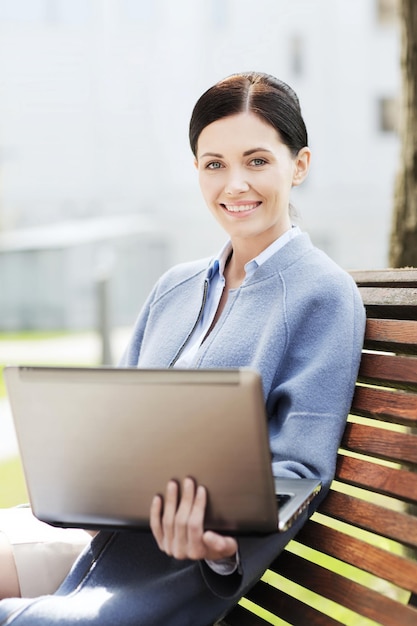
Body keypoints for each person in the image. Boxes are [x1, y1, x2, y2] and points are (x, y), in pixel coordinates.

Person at [0, 71, 365, 625]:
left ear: (300, 165)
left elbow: (301, 466)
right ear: (197, 170)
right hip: (103, 539)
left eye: (257, 160)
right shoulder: (174, 285)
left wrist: (222, 549)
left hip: (175, 569)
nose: (234, 184)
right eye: (214, 164)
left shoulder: (322, 294)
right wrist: (82, 485)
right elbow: (116, 425)